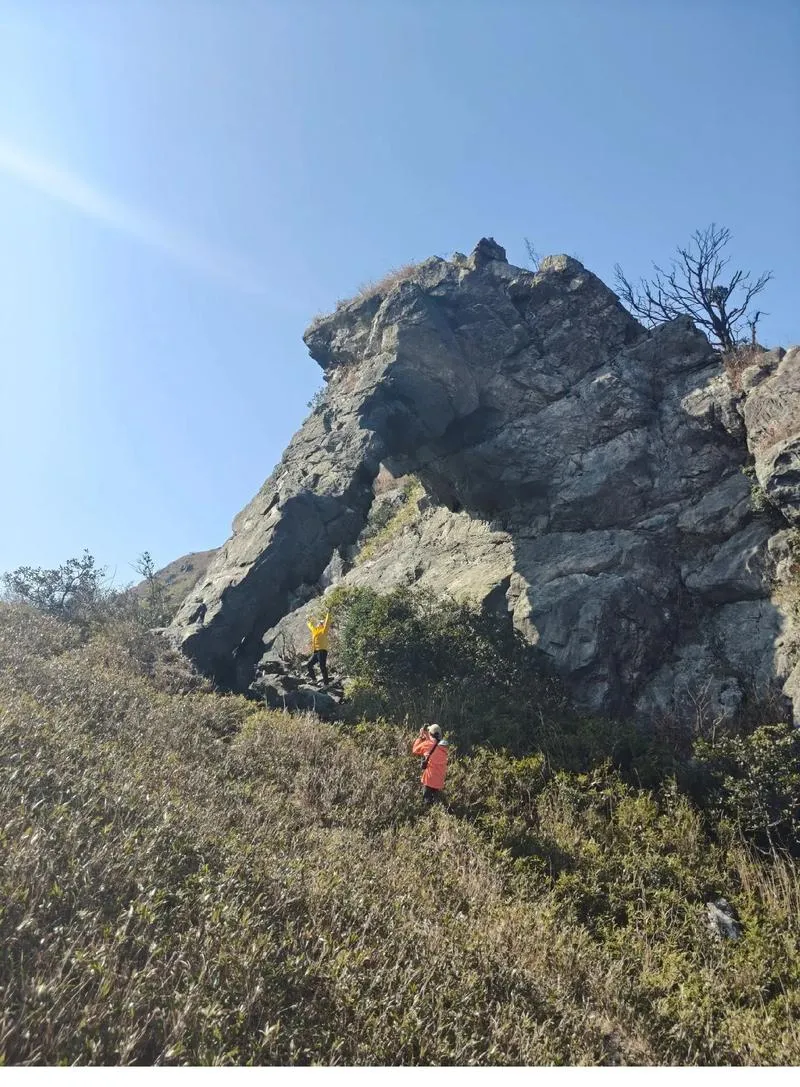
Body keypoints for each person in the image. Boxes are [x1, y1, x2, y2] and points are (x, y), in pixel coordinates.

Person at [411, 723, 449, 805]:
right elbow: (434, 743)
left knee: (427, 802)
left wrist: (420, 737)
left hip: (429, 779)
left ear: (430, 734)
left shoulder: (427, 745)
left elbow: (415, 750)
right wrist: (427, 736)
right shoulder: (444, 747)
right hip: (439, 780)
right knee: (437, 802)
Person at [306, 610, 331, 686]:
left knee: (322, 666)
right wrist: (308, 620)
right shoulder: (315, 631)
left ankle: (326, 684)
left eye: (321, 623)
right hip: (316, 652)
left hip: (322, 651)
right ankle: (314, 680)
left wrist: (328, 613)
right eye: (320, 623)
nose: (320, 623)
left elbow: (327, 623)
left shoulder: (324, 630)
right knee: (309, 665)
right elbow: (310, 626)